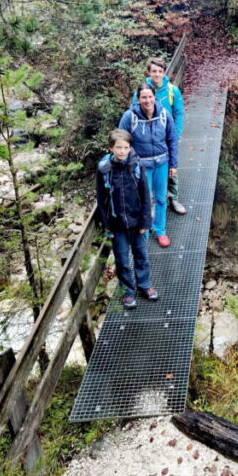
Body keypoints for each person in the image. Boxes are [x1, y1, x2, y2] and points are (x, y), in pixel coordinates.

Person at [95, 129, 157, 309]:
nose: (122, 151)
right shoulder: (104, 169)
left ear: (130, 148)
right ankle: (128, 291)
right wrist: (107, 227)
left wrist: (146, 222)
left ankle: (144, 285)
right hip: (116, 224)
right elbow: (102, 200)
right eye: (118, 148)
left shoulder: (137, 166)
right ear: (111, 148)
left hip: (137, 221)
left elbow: (146, 195)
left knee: (141, 255)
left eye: (125, 148)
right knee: (122, 259)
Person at [118, 83, 178, 247]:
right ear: (138, 99)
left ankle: (160, 230)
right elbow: (121, 140)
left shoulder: (164, 114)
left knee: (160, 199)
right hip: (141, 165)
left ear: (154, 97)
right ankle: (143, 229)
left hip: (162, 163)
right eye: (143, 97)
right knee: (143, 200)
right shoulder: (130, 116)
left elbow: (172, 140)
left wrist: (173, 164)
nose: (147, 100)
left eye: (150, 96)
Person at [131, 57, 186, 215]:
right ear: (148, 72)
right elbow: (133, 111)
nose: (157, 74)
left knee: (172, 166)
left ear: (164, 72)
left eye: (160, 71)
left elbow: (179, 112)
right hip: (147, 138)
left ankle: (173, 198)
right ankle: (154, 201)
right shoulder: (142, 91)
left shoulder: (171, 90)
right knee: (152, 169)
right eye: (154, 71)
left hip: (167, 135)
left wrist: (175, 134)